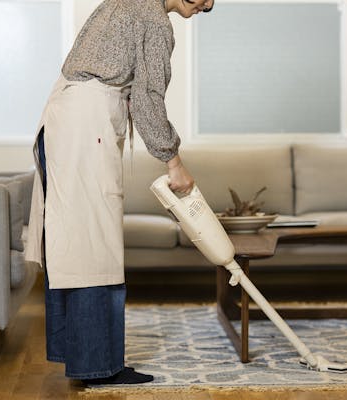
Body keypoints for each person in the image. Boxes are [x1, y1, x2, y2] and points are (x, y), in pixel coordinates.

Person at [24, 0, 214, 386]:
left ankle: (82, 356)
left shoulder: (126, 2)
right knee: (95, 246)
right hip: (84, 125)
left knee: (75, 240)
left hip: (64, 118)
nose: (208, 5)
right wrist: (173, 162)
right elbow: (147, 99)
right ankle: (99, 366)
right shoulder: (154, 20)